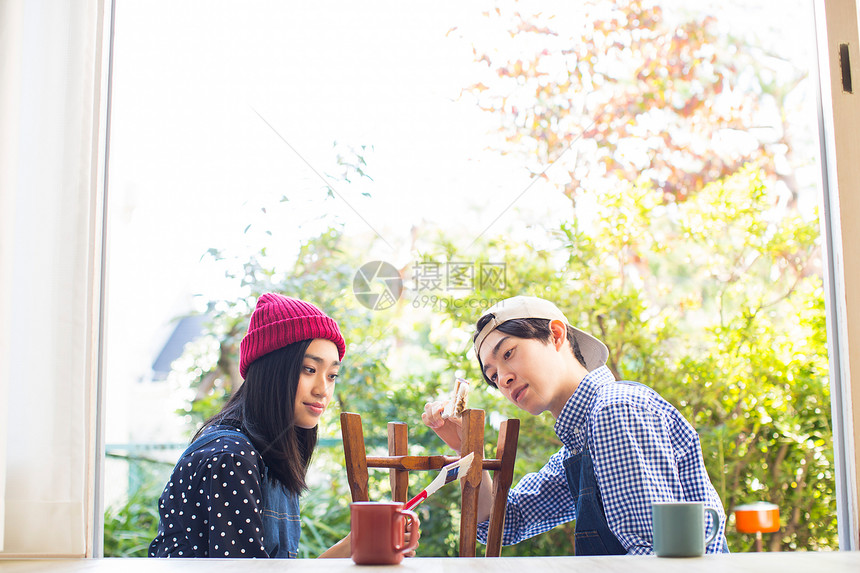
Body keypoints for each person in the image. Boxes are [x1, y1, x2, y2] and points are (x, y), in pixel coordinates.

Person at [422, 295, 729, 556]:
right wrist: (468, 445)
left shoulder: (613, 411)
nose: (503, 378)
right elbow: (503, 525)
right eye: (492, 376)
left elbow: (649, 555)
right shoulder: (580, 443)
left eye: (508, 353)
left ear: (556, 334)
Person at [149, 293, 352, 558]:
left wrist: (356, 545)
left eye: (332, 375)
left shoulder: (270, 454)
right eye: (309, 369)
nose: (323, 390)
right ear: (271, 370)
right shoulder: (231, 457)